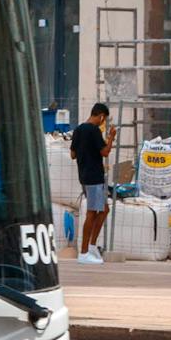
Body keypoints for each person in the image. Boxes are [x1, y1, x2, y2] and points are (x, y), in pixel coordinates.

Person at [70, 103, 112, 262]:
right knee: (92, 212)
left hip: (84, 175)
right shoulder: (94, 130)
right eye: (104, 119)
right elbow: (105, 152)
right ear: (101, 116)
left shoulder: (78, 130)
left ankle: (93, 246)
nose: (103, 122)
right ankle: (84, 252)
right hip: (95, 177)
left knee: (104, 209)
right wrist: (111, 138)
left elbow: (73, 155)